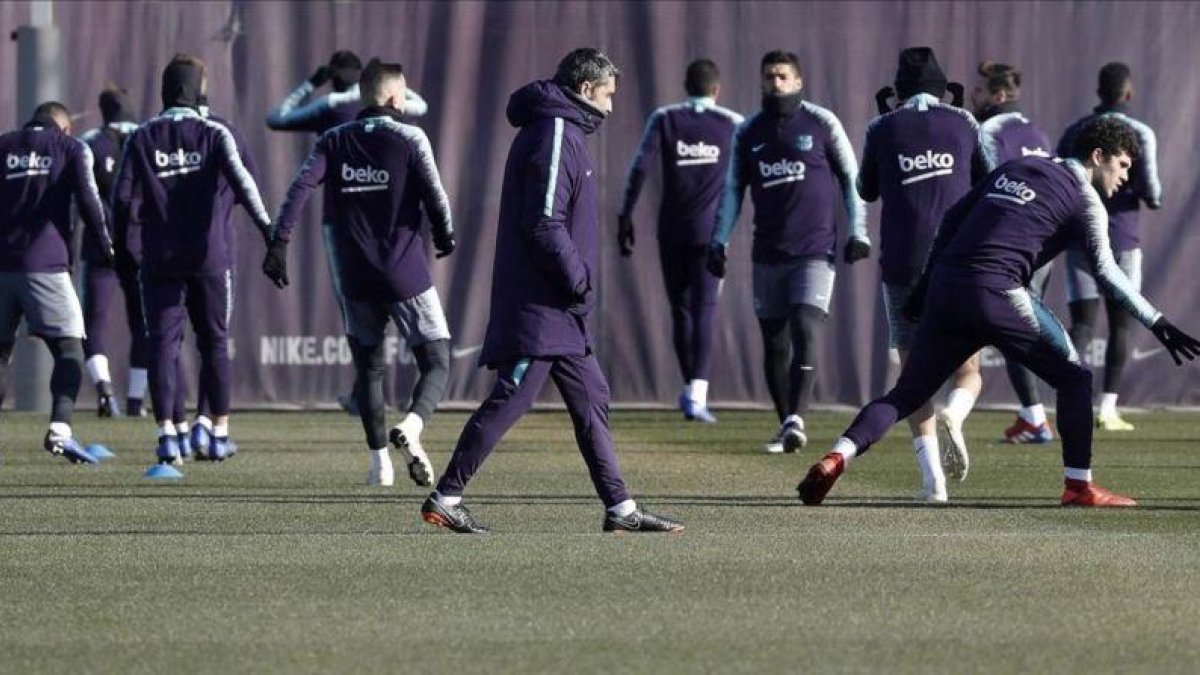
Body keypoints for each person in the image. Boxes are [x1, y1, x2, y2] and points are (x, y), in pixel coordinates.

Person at [797, 117, 1199, 508]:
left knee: (907, 394)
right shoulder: (1085, 197)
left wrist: (924, 286)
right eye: (1124, 164)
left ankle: (837, 456)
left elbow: (953, 217)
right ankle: (1079, 487)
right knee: (1075, 379)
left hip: (947, 286)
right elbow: (1109, 274)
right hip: (997, 291)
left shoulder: (1018, 166)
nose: (1126, 176)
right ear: (1098, 156)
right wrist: (1158, 323)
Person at [422, 48, 683, 534]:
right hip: (542, 305)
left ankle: (620, 508)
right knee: (511, 398)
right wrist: (578, 279)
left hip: (563, 311)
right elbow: (544, 223)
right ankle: (446, 495)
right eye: (607, 96)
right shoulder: (557, 132)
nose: (610, 107)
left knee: (593, 398)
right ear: (586, 91)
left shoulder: (563, 129)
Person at [268, 58, 454, 488]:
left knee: (369, 371)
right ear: (394, 98)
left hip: (353, 275)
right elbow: (435, 195)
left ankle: (379, 468)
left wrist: (279, 243)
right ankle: (411, 426)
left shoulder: (332, 139)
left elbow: (300, 188)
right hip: (404, 271)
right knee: (437, 359)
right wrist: (446, 235)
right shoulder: (410, 137)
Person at [113, 54, 273, 466]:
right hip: (211, 258)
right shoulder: (218, 133)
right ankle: (216, 432)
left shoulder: (140, 138)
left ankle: (170, 435)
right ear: (199, 90)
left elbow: (121, 201)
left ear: (165, 90)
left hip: (159, 259)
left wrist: (122, 254)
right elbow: (247, 186)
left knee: (163, 347)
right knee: (215, 343)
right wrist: (274, 237)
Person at [708, 50, 869, 453]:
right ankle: (787, 424)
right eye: (768, 77)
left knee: (805, 325)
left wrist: (858, 231)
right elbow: (731, 191)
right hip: (767, 254)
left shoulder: (821, 123)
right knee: (775, 343)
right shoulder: (749, 132)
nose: (775, 83)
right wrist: (719, 240)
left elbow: (852, 179)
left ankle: (798, 417)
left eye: (782, 77)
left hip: (816, 251)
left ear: (798, 82)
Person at [858, 47, 991, 501]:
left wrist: (888, 134)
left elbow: (865, 190)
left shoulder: (881, 128)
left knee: (914, 377)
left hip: (902, 266)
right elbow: (986, 181)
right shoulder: (965, 123)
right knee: (969, 369)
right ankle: (957, 412)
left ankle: (933, 483)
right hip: (957, 262)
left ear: (899, 91)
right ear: (942, 88)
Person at [617, 58, 743, 423]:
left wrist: (625, 215)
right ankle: (697, 395)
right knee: (705, 308)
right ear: (716, 89)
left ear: (685, 85)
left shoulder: (664, 118)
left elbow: (640, 166)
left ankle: (691, 389)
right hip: (712, 234)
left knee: (681, 310)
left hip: (670, 231)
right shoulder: (732, 124)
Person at [0, 101, 114, 464]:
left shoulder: (3, 145)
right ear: (63, 128)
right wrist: (108, 245)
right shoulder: (71, 148)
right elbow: (90, 201)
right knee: (69, 350)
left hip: (2, 267)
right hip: (45, 265)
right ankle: (60, 430)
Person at [1057, 62, 1162, 431]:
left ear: (1099, 92)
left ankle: (1065, 397)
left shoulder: (1075, 130)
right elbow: (1153, 193)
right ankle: (1107, 408)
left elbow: (1060, 171)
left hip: (1078, 239)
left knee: (1082, 324)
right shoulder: (1141, 133)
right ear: (1128, 93)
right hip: (1121, 238)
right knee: (1121, 325)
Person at [971, 60, 1057, 444]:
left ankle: (1038, 419)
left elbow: (990, 185)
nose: (974, 96)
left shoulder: (989, 129)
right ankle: (1032, 415)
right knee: (1014, 325)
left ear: (998, 95)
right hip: (1044, 240)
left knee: (1011, 326)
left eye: (980, 90)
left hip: (1011, 242)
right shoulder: (1036, 131)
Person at [77, 85, 145, 418]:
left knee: (94, 323)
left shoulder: (90, 144)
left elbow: (85, 197)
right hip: (139, 245)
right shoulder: (147, 139)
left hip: (100, 247)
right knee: (143, 323)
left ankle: (105, 392)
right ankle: (137, 400)